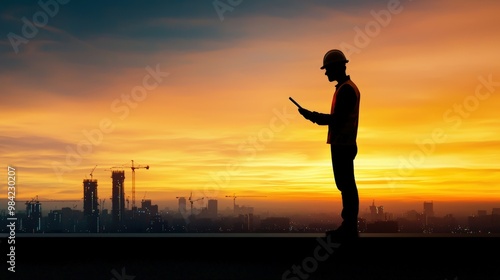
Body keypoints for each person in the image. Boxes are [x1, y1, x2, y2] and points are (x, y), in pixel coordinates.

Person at [298, 49, 361, 241]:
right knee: (345, 184)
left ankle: (349, 227)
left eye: (328, 69)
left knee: (347, 186)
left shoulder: (346, 90)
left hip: (343, 144)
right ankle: (348, 226)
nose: (326, 73)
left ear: (336, 68)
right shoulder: (345, 88)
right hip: (343, 143)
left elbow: (337, 119)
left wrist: (313, 117)